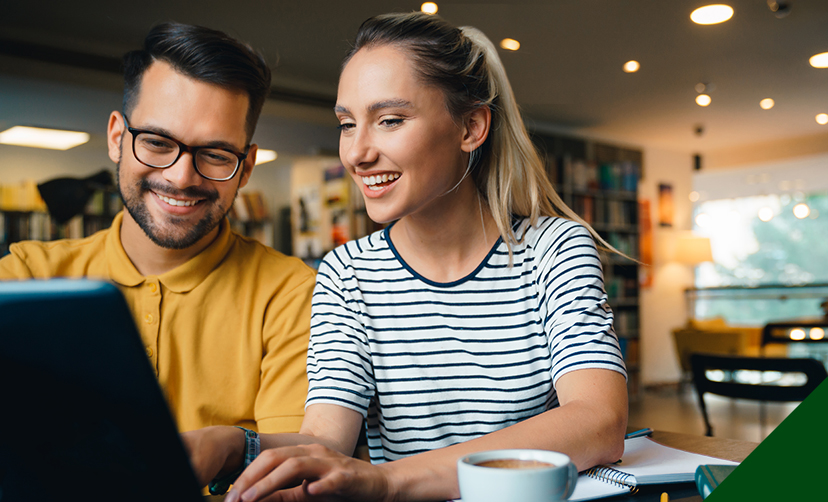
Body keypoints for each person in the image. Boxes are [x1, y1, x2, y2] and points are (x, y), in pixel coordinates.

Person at [192, 12, 628, 502]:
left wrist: (387, 480)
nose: (357, 153)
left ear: (471, 126)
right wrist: (233, 444)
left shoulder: (555, 249)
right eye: (347, 124)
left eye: (390, 121)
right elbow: (323, 442)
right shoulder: (346, 273)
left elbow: (598, 420)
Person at [0, 23, 316, 437]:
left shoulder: (292, 294)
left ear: (247, 168)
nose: (182, 177)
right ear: (117, 137)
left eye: (216, 154)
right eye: (157, 142)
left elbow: (296, 477)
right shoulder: (26, 277)